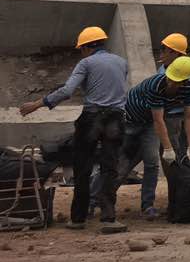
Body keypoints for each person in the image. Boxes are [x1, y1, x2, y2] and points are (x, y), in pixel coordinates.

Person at [18, 26, 129, 233]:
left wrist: (38, 103)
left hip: (92, 117)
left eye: (81, 49)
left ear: (87, 47)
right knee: (110, 168)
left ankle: (78, 218)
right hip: (115, 117)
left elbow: (68, 90)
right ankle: (109, 219)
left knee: (82, 168)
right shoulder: (122, 62)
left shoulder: (86, 62)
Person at [112, 56, 190, 220]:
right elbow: (159, 119)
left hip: (149, 123)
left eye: (177, 81)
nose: (171, 83)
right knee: (121, 162)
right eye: (171, 78)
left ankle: (147, 206)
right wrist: (167, 148)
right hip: (129, 121)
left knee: (151, 162)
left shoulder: (189, 88)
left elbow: (189, 116)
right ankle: (96, 200)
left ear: (186, 81)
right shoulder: (156, 85)